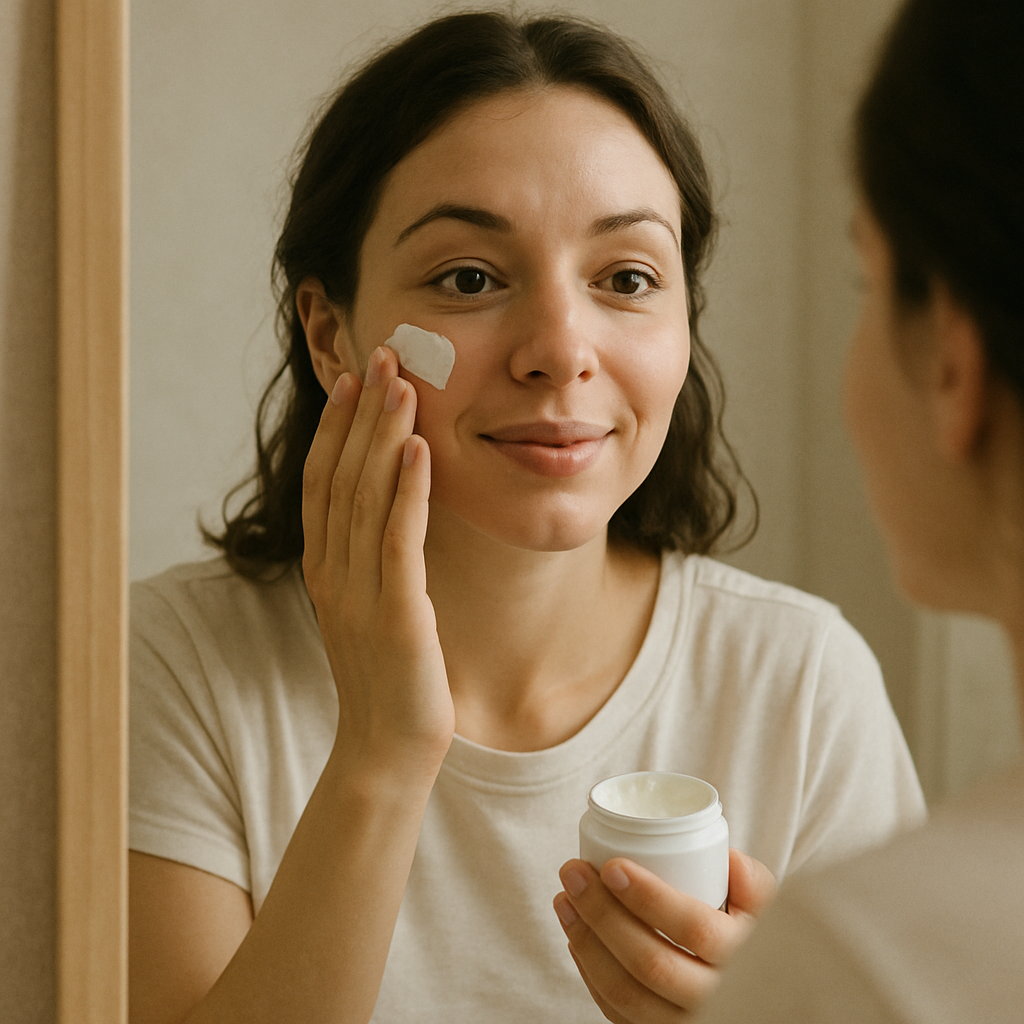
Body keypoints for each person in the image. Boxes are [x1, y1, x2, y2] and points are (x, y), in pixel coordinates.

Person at [127, 11, 924, 1024]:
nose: (558, 347)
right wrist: (379, 750)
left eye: (626, 278)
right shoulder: (170, 665)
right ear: (331, 335)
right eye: (468, 278)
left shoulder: (803, 685)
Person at [625, 0, 1024, 1021]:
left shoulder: (866, 957)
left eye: (866, 274)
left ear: (952, 361)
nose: (556, 351)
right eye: (471, 277)